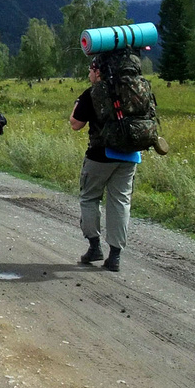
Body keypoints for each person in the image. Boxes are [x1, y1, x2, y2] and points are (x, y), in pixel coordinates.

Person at [69, 56, 138, 272]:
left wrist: (76, 106)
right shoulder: (133, 89)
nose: (89, 73)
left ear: (98, 72)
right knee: (120, 202)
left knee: (90, 197)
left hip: (100, 155)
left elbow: (75, 124)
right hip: (130, 155)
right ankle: (115, 256)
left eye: (90, 69)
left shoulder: (93, 93)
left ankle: (94, 246)